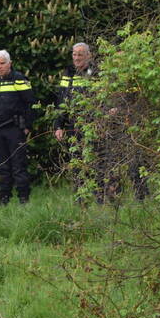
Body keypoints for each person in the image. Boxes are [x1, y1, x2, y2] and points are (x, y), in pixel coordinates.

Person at [53, 42, 108, 204]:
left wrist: (102, 122)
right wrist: (58, 125)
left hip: (92, 125)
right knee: (76, 162)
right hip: (71, 125)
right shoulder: (67, 73)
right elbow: (61, 101)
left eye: (80, 54)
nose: (76, 58)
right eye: (74, 54)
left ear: (88, 56)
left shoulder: (96, 73)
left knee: (96, 161)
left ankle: (100, 198)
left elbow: (104, 100)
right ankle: (80, 198)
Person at [0, 50, 35, 206]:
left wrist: (27, 126)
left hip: (15, 129)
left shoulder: (19, 79)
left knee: (19, 166)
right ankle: (3, 199)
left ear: (9, 63)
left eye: (2, 63)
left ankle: (23, 200)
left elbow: (31, 104)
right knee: (2, 166)